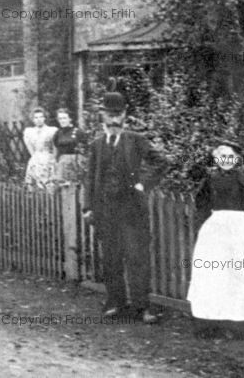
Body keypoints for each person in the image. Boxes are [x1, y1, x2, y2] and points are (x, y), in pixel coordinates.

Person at [82, 92, 167, 324]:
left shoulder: (136, 140)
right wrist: (88, 207)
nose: (113, 120)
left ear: (124, 115)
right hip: (106, 212)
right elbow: (90, 178)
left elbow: (161, 162)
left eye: (117, 115)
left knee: (136, 258)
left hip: (132, 213)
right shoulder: (97, 145)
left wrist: (143, 184)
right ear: (103, 116)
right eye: (109, 115)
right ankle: (115, 302)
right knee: (111, 259)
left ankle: (142, 306)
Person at [187, 140, 244, 338]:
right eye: (222, 157)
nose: (226, 161)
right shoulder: (210, 178)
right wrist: (201, 228)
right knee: (213, 275)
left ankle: (237, 325)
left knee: (238, 276)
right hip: (215, 230)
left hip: (240, 228)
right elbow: (201, 205)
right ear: (216, 159)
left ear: (237, 159)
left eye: (230, 157)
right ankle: (210, 323)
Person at [23, 108, 57, 190]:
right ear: (33, 119)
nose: (38, 120)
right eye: (36, 117)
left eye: (41, 117)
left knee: (48, 184)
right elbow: (30, 148)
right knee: (34, 185)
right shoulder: (29, 132)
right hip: (35, 158)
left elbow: (55, 146)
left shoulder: (51, 130)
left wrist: (53, 159)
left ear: (45, 118)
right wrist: (35, 158)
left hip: (48, 158)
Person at [52, 108, 86, 184]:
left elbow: (84, 148)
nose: (62, 120)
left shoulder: (78, 132)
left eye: (64, 118)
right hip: (62, 163)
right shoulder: (57, 133)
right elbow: (56, 148)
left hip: (75, 162)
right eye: (60, 118)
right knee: (63, 186)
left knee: (75, 185)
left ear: (70, 119)